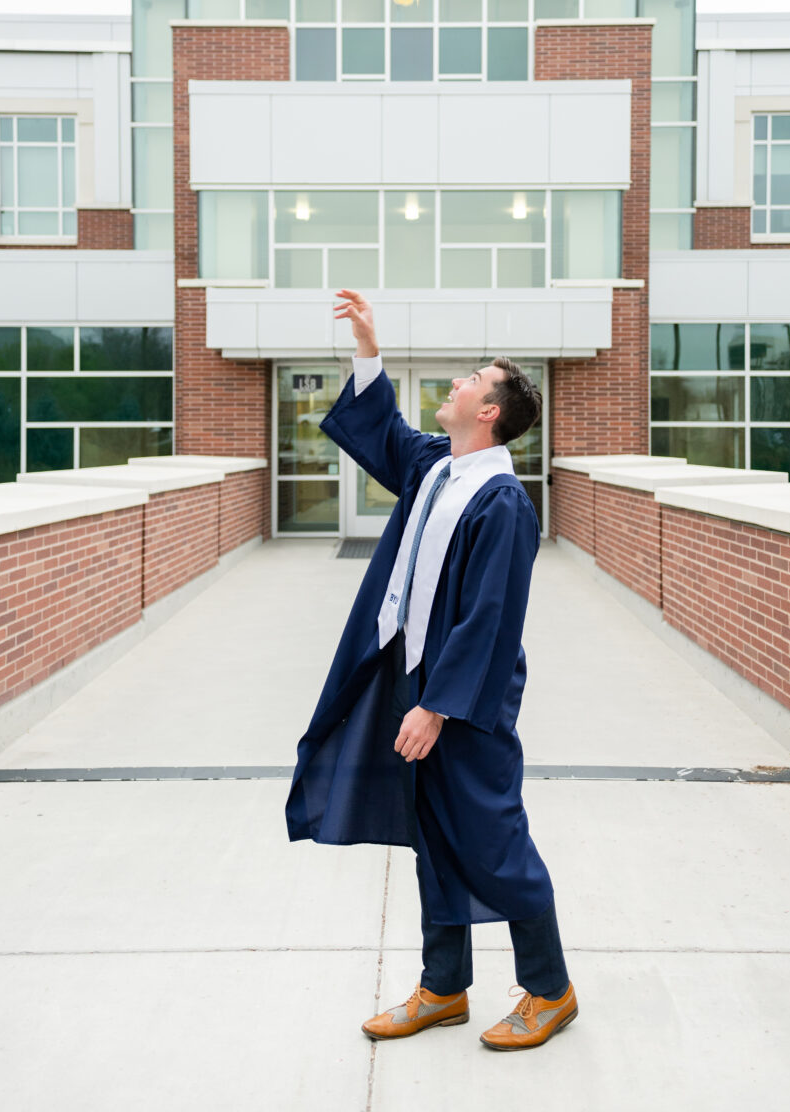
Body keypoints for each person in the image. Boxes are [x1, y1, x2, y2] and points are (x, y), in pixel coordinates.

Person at [285, 290, 577, 1052]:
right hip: (417, 683)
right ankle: (444, 987)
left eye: (470, 381)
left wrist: (438, 706)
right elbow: (379, 429)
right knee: (433, 838)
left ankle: (550, 989)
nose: (455, 384)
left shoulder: (501, 501)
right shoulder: (437, 468)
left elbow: (490, 619)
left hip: (463, 703)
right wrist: (368, 346)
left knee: (490, 836)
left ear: (490, 412)